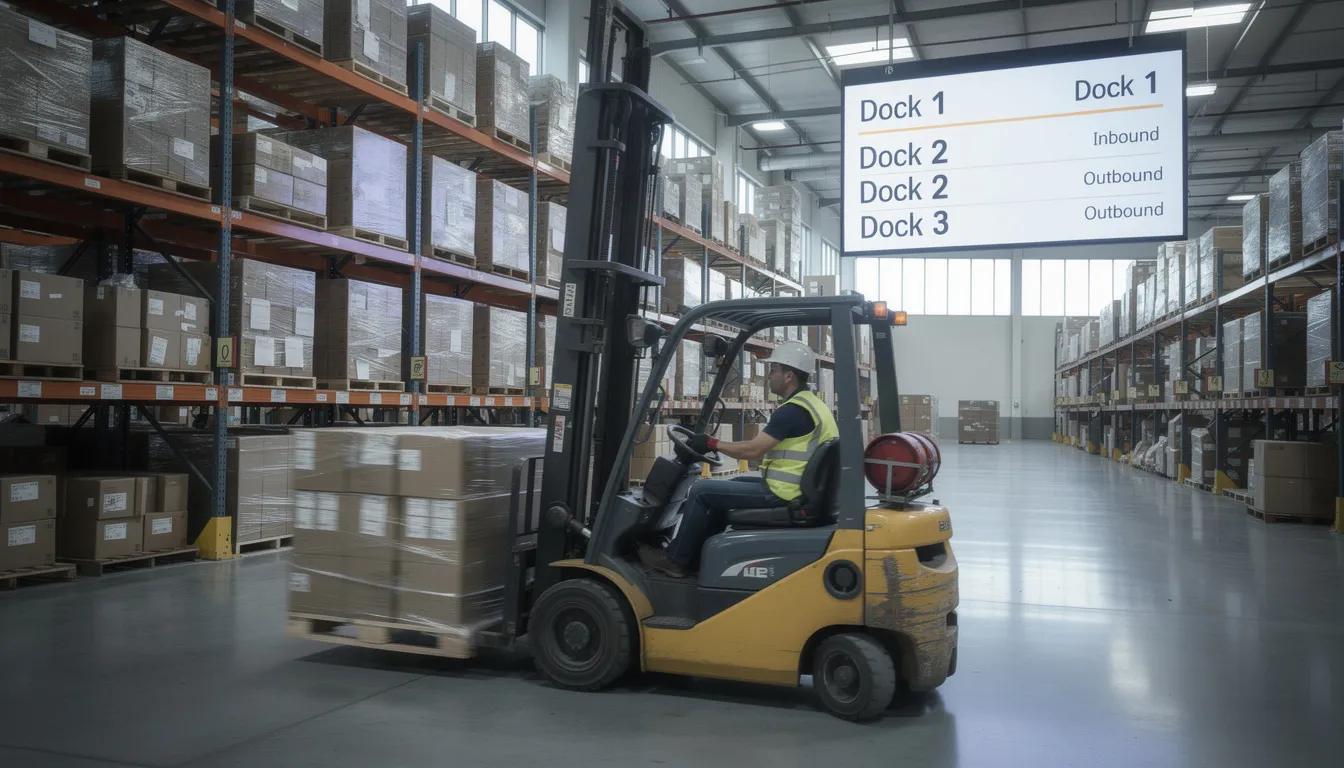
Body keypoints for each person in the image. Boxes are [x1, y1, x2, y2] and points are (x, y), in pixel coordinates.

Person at [638, 340, 839, 578]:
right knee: (730, 485)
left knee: (701, 490)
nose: (769, 376)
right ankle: (697, 556)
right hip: (797, 489)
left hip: (785, 493)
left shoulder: (792, 411)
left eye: (773, 370)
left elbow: (753, 451)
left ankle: (675, 560)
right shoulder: (814, 404)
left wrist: (712, 444)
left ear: (789, 376)